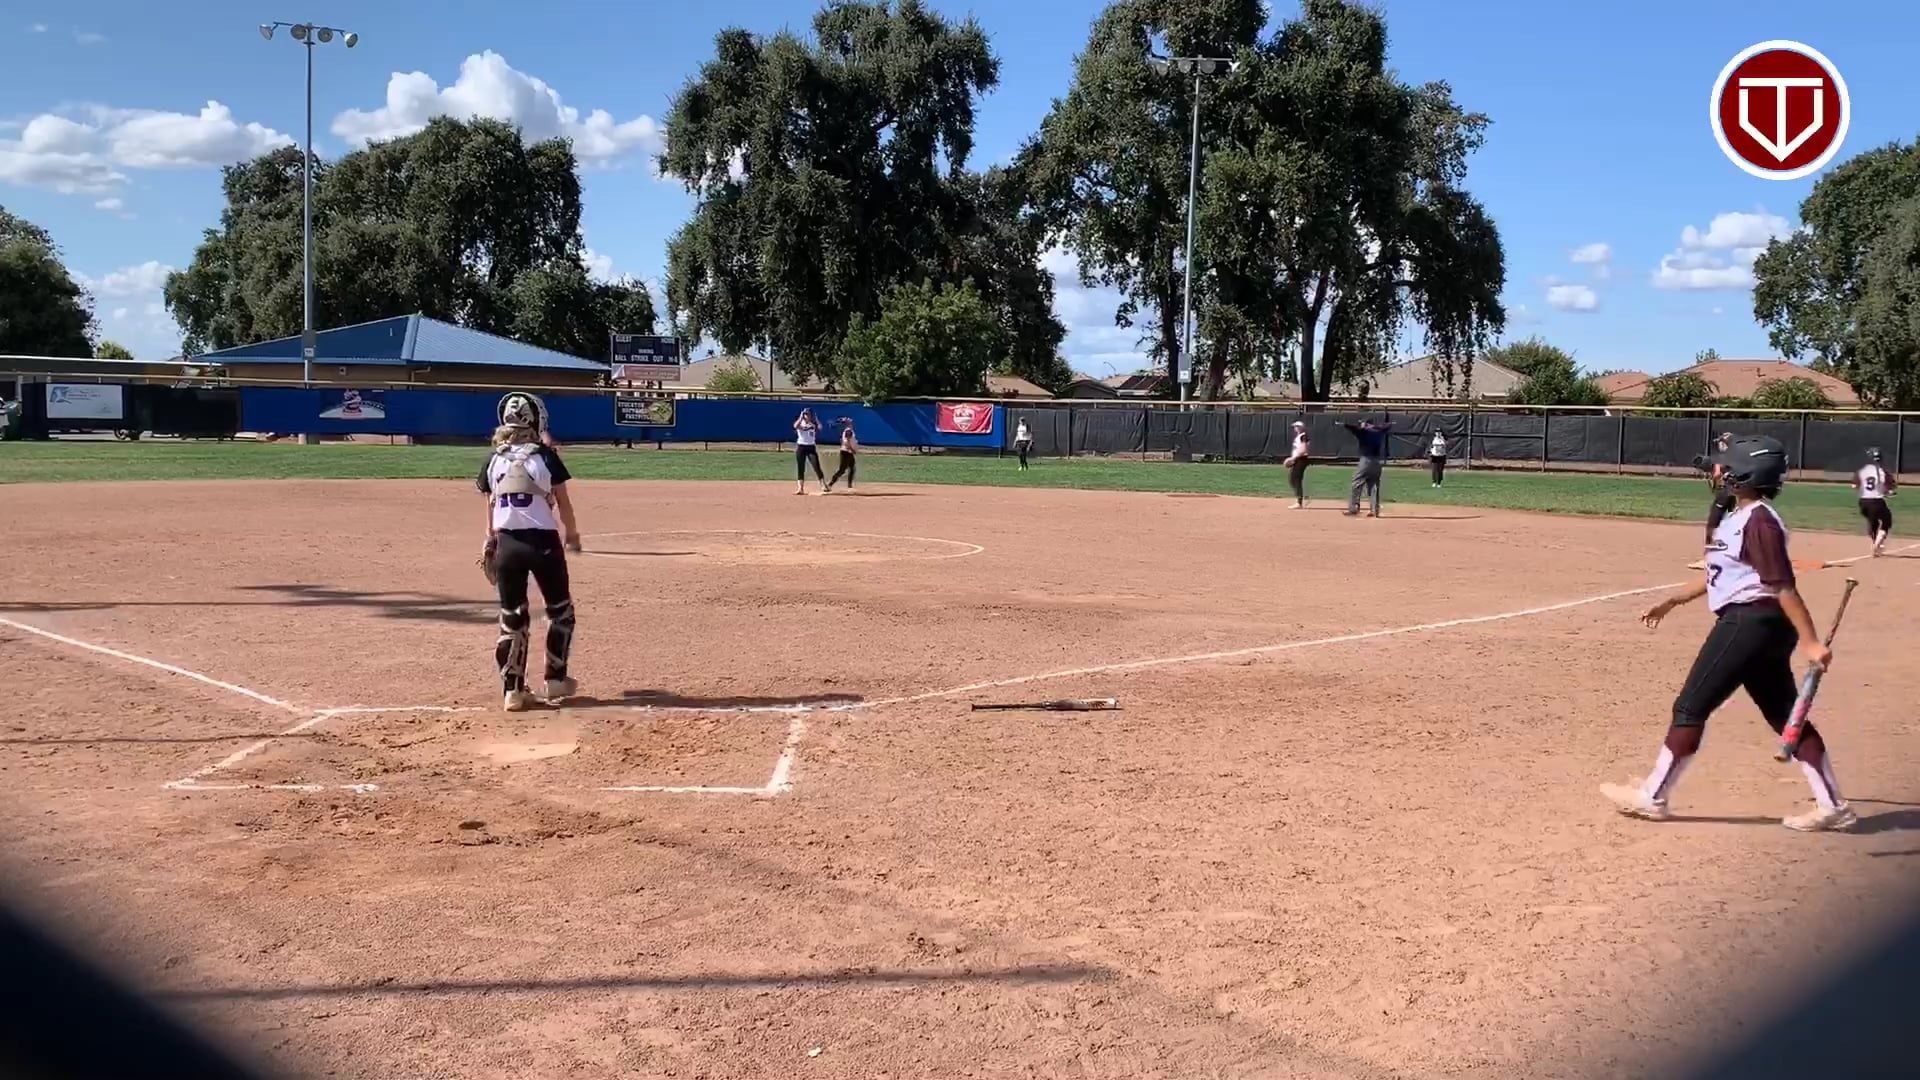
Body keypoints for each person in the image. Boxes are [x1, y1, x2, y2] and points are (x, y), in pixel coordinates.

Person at [1602, 435, 1855, 832]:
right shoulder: (1740, 517)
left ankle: (1652, 797)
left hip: (1749, 623)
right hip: (1760, 624)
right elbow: (1718, 574)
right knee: (1784, 715)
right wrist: (1672, 601)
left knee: (1690, 708)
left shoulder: (1760, 521)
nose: (1718, 472)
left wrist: (1809, 640)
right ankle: (1833, 806)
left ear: (1746, 475)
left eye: (1727, 466)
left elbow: (1782, 585)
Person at [476, 393, 582, 713]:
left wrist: (490, 540)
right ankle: (555, 679)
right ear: (535, 420)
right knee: (560, 610)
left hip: (507, 543)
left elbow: (491, 505)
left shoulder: (494, 459)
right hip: (544, 544)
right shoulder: (545, 456)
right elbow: (563, 502)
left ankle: (512, 690)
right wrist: (572, 534)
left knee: (512, 618)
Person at [1342, 416, 1394, 517]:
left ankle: (1353, 508)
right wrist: (1375, 426)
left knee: (1356, 483)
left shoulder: (1363, 432)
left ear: (1366, 424)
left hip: (1366, 461)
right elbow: (1387, 426)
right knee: (1374, 485)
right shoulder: (1379, 432)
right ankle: (1374, 510)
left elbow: (1354, 428)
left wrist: (1345, 425)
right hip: (1377, 462)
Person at [1856, 447, 1895, 557]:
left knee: (1872, 521)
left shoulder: (1862, 471)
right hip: (1876, 502)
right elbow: (1890, 487)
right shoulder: (1883, 472)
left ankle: (1874, 542)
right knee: (1887, 520)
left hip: (1863, 502)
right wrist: (1887, 492)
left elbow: (1855, 485)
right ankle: (1877, 544)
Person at [793, 408, 826, 494]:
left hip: (811, 447)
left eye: (808, 414)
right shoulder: (800, 423)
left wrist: (817, 419)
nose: (807, 416)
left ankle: (823, 485)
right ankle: (800, 488)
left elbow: (820, 427)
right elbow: (795, 426)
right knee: (801, 468)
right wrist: (800, 417)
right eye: (805, 414)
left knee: (816, 466)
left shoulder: (813, 424)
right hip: (801, 447)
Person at [1281, 420, 1311, 509]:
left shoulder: (1303, 436)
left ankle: (1299, 502)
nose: (1295, 428)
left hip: (1300, 459)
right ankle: (1298, 500)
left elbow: (1303, 450)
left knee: (1295, 479)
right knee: (1293, 479)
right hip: (1298, 459)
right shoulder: (1300, 436)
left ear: (1302, 427)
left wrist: (1293, 458)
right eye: (1295, 426)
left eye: (1297, 426)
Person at [824, 417, 858, 492]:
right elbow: (847, 442)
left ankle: (849, 485)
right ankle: (830, 484)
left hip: (849, 452)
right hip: (846, 452)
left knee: (852, 468)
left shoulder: (848, 430)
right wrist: (852, 450)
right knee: (842, 470)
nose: (850, 420)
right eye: (848, 420)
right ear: (847, 423)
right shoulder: (848, 430)